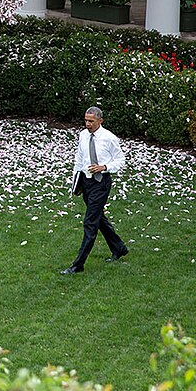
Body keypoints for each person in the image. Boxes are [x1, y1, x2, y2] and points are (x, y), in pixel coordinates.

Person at [60, 106, 128, 275]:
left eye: (91, 121)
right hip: (86, 182)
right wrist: (75, 183)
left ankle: (78, 264)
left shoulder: (109, 138)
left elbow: (121, 161)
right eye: (86, 120)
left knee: (90, 223)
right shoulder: (83, 135)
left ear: (100, 121)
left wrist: (104, 167)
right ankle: (119, 248)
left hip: (101, 183)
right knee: (99, 219)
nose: (88, 124)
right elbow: (79, 158)